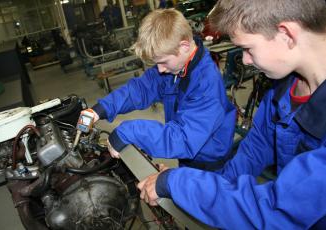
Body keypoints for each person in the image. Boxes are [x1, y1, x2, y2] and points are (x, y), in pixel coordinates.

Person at [137, 0, 326, 229]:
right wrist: (188, 188)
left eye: (248, 48)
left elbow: (277, 210)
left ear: (286, 34)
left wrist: (179, 183)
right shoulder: (281, 93)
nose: (245, 59)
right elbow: (251, 155)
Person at [84, 9, 236, 170]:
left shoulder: (206, 83)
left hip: (209, 166)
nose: (160, 70)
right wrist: (100, 109)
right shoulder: (176, 66)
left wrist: (129, 132)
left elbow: (184, 138)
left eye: (163, 62)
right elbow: (141, 89)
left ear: (184, 46)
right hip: (186, 158)